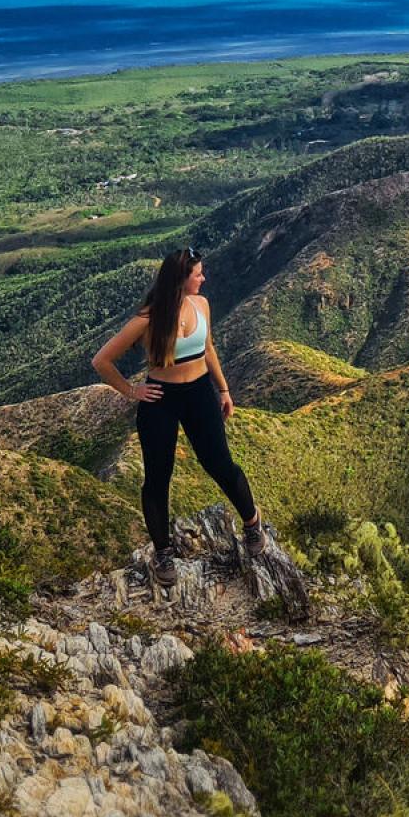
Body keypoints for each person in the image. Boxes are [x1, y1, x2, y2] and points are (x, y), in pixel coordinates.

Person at [92, 247, 266, 582]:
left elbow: (208, 347)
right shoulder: (147, 319)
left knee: (220, 464)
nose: (204, 278)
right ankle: (163, 553)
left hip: (200, 393)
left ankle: (252, 522)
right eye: (198, 274)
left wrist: (224, 390)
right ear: (180, 279)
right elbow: (102, 361)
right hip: (160, 399)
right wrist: (132, 391)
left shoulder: (201, 304)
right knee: (158, 478)